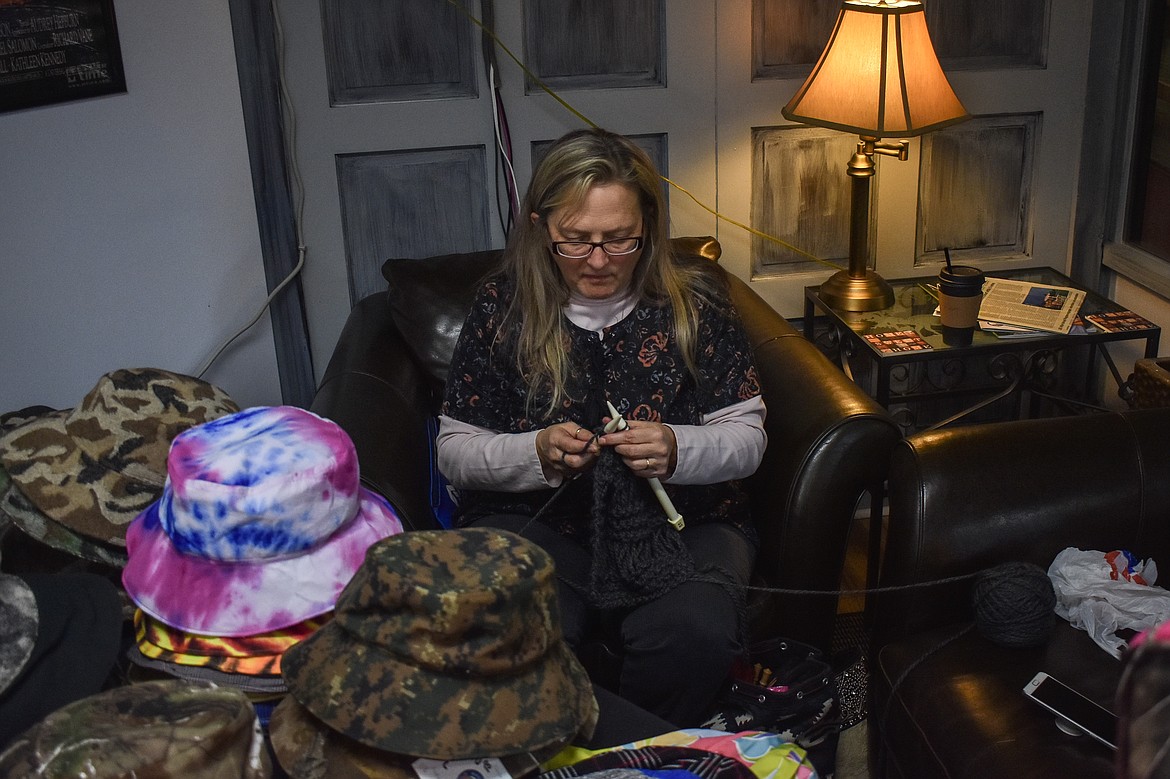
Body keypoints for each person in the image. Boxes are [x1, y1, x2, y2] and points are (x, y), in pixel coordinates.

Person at [437, 126, 766, 727]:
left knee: (695, 632)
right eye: (575, 241)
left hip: (685, 522)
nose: (597, 261)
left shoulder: (696, 303)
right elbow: (455, 452)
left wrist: (674, 447)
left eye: (619, 241)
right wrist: (535, 452)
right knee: (517, 629)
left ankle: (640, 755)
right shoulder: (501, 309)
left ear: (649, 227)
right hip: (539, 523)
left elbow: (747, 440)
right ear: (541, 228)